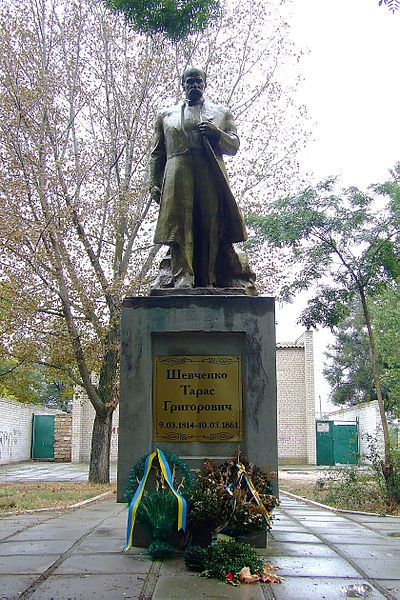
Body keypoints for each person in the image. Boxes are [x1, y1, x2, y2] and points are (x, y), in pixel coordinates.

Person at [149, 67, 255, 292]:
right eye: (190, 82)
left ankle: (207, 279)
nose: (194, 85)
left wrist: (217, 133)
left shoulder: (221, 113)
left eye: (198, 81)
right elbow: (157, 153)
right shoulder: (165, 116)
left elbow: (234, 146)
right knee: (179, 226)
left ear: (204, 84)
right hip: (177, 171)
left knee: (210, 224)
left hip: (209, 171)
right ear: (183, 85)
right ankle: (182, 278)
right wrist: (154, 182)